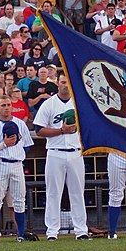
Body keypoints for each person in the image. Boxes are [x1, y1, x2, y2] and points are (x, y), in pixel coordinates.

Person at [34, 72, 89, 240]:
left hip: (75, 152)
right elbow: (38, 130)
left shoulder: (79, 103)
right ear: (57, 83)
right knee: (53, 193)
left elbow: (88, 126)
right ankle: (52, 232)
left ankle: (81, 231)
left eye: (68, 82)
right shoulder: (49, 104)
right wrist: (61, 131)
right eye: (62, 82)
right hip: (55, 152)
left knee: (77, 193)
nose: (65, 85)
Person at [0, 96, 34, 242]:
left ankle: (21, 234)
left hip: (17, 163)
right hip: (0, 163)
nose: (6, 107)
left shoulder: (20, 124)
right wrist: (3, 145)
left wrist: (17, 151)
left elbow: (27, 145)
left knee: (19, 200)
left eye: (9, 105)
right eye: (3, 105)